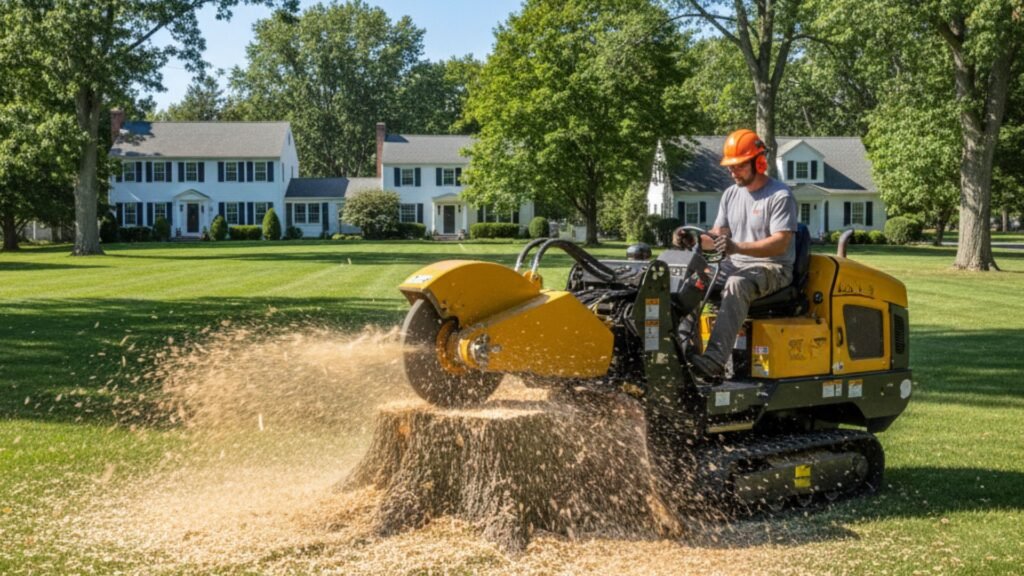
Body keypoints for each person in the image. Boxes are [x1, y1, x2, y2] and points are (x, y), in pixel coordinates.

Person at [673, 129, 798, 379]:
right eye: (730, 167)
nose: (733, 172)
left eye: (739, 166)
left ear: (758, 162)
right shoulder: (731, 194)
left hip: (773, 268)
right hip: (734, 263)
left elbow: (780, 243)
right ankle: (684, 350)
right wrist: (693, 238)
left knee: (736, 284)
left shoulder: (779, 196)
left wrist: (736, 247)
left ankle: (714, 361)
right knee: (691, 281)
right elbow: (717, 235)